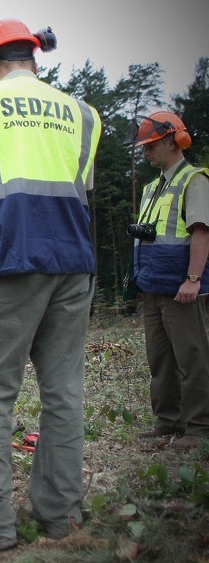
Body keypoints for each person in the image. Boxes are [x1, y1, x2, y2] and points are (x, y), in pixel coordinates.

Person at [0, 19, 102, 549]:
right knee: (64, 393)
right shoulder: (83, 113)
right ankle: (60, 516)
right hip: (73, 262)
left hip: (9, 258)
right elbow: (80, 185)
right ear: (35, 57)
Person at [128, 111, 209, 449]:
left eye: (151, 146)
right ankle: (168, 420)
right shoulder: (151, 188)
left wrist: (193, 279)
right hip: (153, 285)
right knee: (159, 358)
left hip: (180, 288)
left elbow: (201, 233)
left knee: (191, 356)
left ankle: (198, 427)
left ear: (174, 140)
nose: (145, 153)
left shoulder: (195, 180)